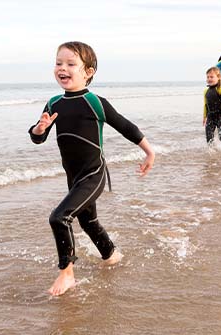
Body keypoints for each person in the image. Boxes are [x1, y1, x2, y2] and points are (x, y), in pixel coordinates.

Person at [28, 41, 155, 296]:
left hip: (93, 174)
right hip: (74, 178)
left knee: (59, 217)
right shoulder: (53, 103)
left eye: (71, 64)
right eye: (58, 63)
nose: (62, 68)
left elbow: (126, 127)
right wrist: (39, 129)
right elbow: (38, 136)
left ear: (88, 72)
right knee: (89, 222)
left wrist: (149, 152)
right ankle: (111, 256)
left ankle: (67, 274)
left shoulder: (95, 102)